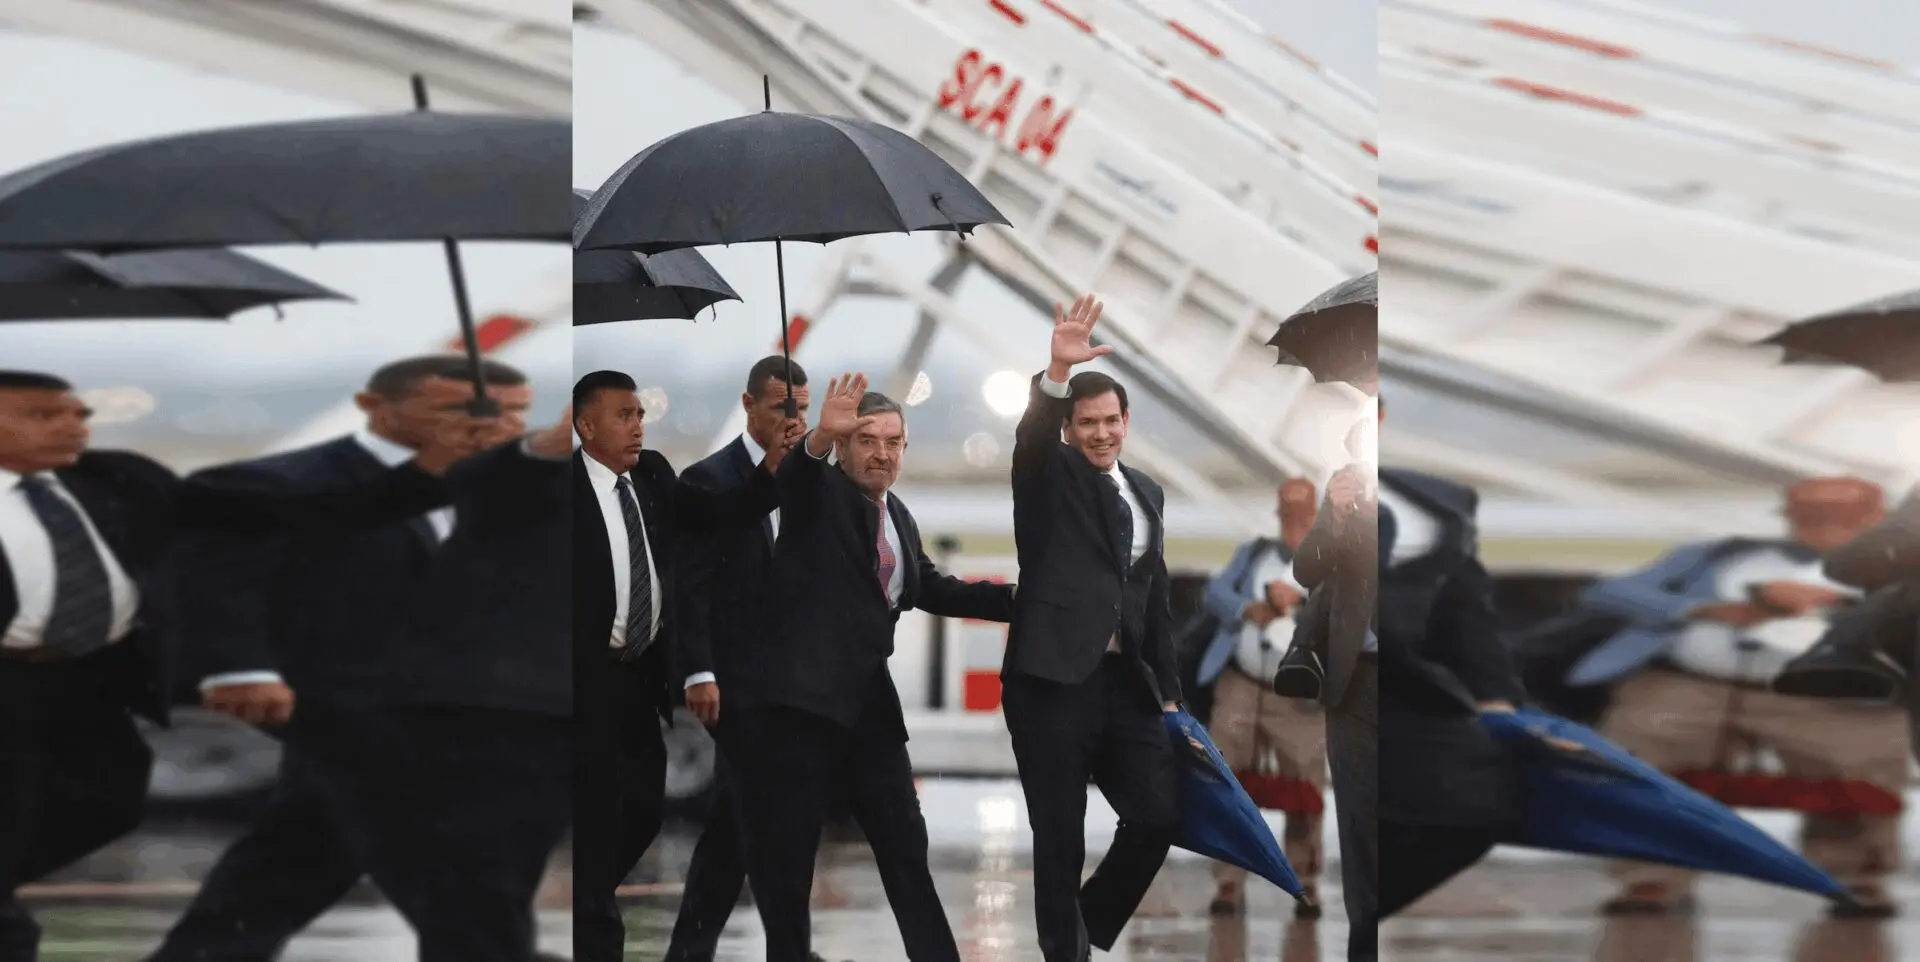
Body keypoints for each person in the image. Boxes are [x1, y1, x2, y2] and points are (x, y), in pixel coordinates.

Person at [0, 370, 462, 962]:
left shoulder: (120, 479)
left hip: (84, 685)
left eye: (80, 414)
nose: (74, 426)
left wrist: (422, 476)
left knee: (103, 804)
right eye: (44, 415)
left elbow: (275, 513)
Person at [147, 356, 532, 962]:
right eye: (465, 408)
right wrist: (240, 666)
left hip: (474, 711)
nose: (499, 424)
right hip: (341, 704)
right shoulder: (277, 483)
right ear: (374, 407)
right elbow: (220, 576)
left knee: (294, 861)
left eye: (515, 411)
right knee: (446, 860)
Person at [728, 374, 1015, 962]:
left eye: (893, 441)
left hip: (869, 711)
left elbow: (929, 587)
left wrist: (1020, 601)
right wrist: (812, 443)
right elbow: (793, 480)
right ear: (842, 446)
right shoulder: (818, 493)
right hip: (803, 708)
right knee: (790, 855)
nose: (881, 453)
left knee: (905, 846)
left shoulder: (896, 513)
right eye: (866, 440)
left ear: (905, 448)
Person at [1574, 477, 1905, 917]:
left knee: (1860, 770)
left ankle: (1856, 880)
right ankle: (1650, 877)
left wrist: (1842, 597)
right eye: (1808, 515)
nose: (1822, 526)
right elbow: (1609, 592)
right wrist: (1703, 610)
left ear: (1877, 517)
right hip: (1696, 682)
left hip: (1834, 693)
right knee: (1644, 751)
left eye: (1840, 515)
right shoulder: (1720, 556)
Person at [570, 370, 793, 962]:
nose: (638, 425)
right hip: (581, 686)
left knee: (643, 813)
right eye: (624, 415)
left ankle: (587, 898)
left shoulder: (653, 476)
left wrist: (771, 470)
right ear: (585, 425)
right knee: (596, 826)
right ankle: (595, 931)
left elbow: (717, 516)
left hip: (637, 680)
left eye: (640, 414)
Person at [1002, 295, 1184, 962]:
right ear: (1070, 429)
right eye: (1087, 424)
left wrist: (1169, 696)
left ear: (1127, 421)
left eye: (1111, 421)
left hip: (1123, 684)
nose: (1102, 433)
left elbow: (1153, 597)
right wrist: (1055, 372)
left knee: (1158, 816)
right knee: (1061, 837)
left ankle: (1079, 924)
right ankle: (1066, 953)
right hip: (1050, 683)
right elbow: (1030, 437)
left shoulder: (1148, 492)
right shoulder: (1049, 477)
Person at [665, 357, 824, 961]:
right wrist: (698, 670)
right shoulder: (706, 480)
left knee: (737, 828)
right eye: (783, 406)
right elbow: (692, 586)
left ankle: (689, 952)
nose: (794, 419)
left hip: (798, 684)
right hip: (735, 682)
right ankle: (790, 949)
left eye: (802, 408)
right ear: (750, 404)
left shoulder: (814, 480)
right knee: (768, 821)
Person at [1196, 478, 1328, 917]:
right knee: (1227, 780)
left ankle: (1304, 881)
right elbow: (1214, 593)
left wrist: (1302, 599)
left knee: (1305, 786)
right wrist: (1247, 609)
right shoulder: (1253, 554)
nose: (1294, 525)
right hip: (1243, 682)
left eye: (1302, 516)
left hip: (1299, 696)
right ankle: (1228, 884)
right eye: (1287, 516)